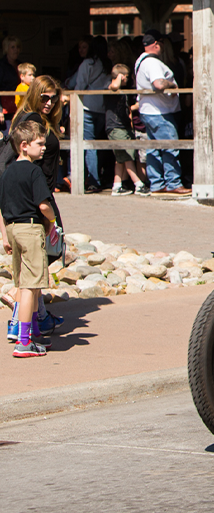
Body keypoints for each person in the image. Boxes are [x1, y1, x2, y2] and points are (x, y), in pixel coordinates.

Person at [5, 76, 65, 344]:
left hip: (23, 209)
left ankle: (33, 319)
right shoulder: (31, 121)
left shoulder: (32, 119)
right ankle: (23, 331)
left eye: (54, 98)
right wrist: (51, 217)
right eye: (44, 97)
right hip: (34, 202)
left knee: (29, 272)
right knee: (34, 274)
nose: (49, 103)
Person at [134, 29, 190, 195]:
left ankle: (157, 183)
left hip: (150, 110)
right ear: (157, 44)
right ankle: (173, 182)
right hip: (160, 111)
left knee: (154, 148)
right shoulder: (152, 62)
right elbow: (158, 83)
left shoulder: (141, 61)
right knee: (169, 146)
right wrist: (172, 85)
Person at [71, 35, 112, 192]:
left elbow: (79, 86)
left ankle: (93, 180)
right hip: (101, 108)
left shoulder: (88, 63)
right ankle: (97, 175)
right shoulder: (107, 65)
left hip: (87, 106)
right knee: (98, 143)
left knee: (89, 144)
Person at [104, 64, 148, 196]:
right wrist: (118, 77)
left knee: (120, 158)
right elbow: (114, 86)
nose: (127, 80)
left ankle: (117, 186)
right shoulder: (110, 85)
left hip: (124, 126)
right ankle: (138, 184)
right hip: (115, 127)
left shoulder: (124, 90)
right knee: (128, 156)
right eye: (126, 77)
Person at [0, 35, 23, 132]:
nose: (16, 50)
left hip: (19, 107)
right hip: (6, 110)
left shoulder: (20, 65)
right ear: (6, 49)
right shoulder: (1, 66)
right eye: (12, 47)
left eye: (17, 47)